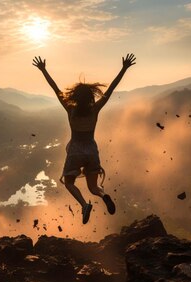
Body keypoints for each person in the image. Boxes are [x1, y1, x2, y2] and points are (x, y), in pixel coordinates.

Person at [33, 53, 136, 224]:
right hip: (91, 150)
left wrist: (43, 70)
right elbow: (110, 90)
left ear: (75, 96)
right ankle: (104, 195)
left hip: (75, 151)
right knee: (94, 187)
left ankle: (83, 206)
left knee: (69, 183)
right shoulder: (95, 109)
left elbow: (55, 88)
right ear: (90, 96)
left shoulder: (70, 109)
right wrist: (124, 68)